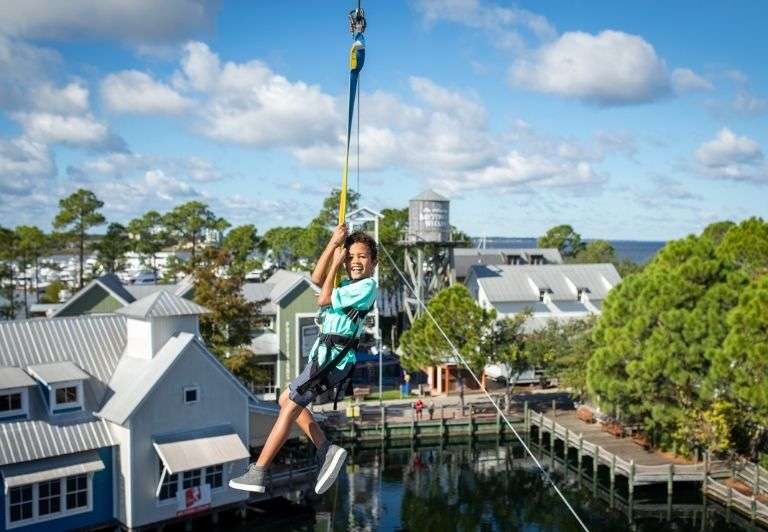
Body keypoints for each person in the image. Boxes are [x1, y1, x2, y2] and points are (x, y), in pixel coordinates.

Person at [229, 224, 378, 495]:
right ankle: (326, 449)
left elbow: (322, 298)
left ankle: (259, 471)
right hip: (323, 357)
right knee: (286, 400)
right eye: (351, 257)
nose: (355, 262)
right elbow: (318, 277)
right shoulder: (346, 284)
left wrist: (336, 264)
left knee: (290, 408)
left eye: (362, 256)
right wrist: (333, 245)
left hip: (332, 360)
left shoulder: (366, 287)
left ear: (373, 262)